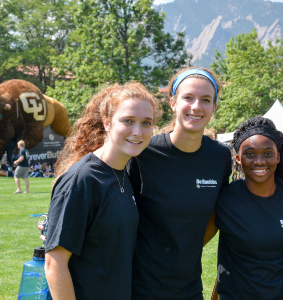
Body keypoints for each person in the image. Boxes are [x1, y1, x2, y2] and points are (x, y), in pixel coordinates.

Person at [43, 82, 158, 299]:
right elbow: (54, 264)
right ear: (107, 122)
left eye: (146, 123)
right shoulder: (82, 180)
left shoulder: (125, 173)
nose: (137, 131)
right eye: (128, 121)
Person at [127, 68, 232, 299]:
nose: (196, 106)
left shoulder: (220, 156)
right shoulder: (144, 153)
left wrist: (186, 248)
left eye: (206, 100)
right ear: (173, 102)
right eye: (188, 98)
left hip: (189, 288)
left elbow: (216, 215)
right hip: (139, 288)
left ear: (214, 108)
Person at [211, 116, 283, 299]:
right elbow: (194, 247)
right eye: (250, 154)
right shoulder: (224, 199)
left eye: (268, 153)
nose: (259, 161)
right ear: (238, 158)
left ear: (278, 157)